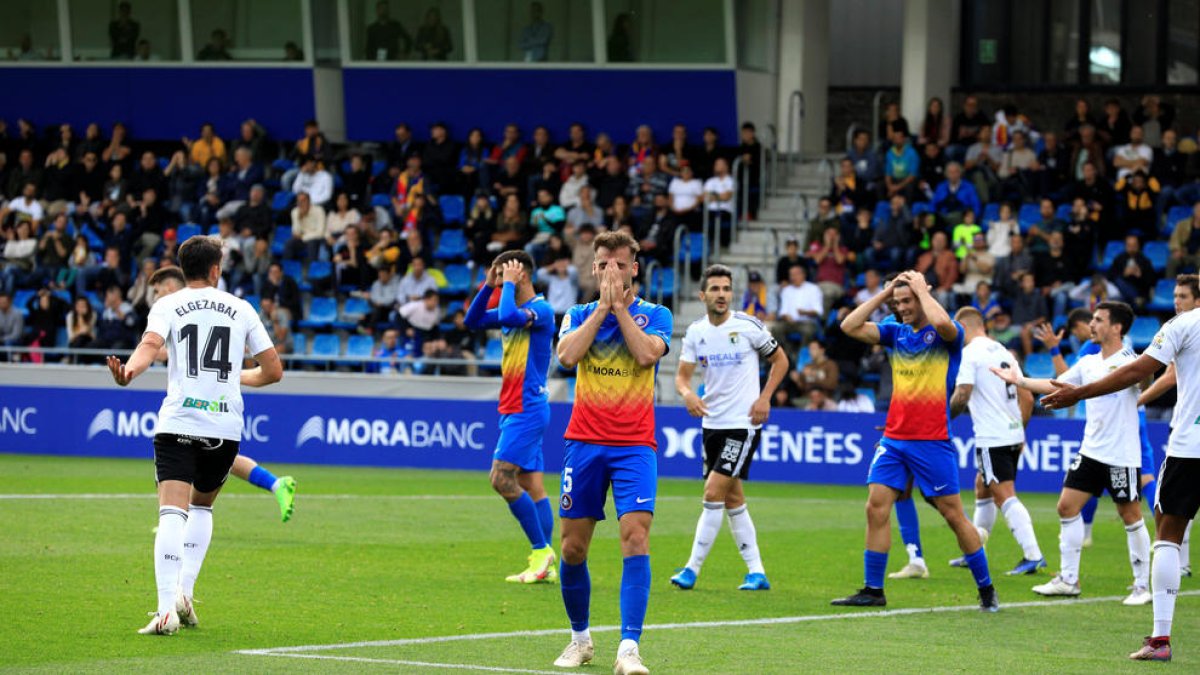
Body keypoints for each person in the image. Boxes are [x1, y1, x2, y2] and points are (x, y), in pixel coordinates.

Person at [105, 237, 281, 635]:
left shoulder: (167, 305)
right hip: (224, 428)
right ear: (216, 269)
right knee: (201, 509)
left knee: (171, 513)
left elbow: (149, 346)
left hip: (179, 422)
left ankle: (166, 609)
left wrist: (129, 372)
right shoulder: (241, 309)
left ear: (184, 270)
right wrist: (238, 377)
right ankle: (185, 592)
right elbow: (273, 371)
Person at [1040, 297, 1200, 661]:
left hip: (1191, 447)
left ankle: (1160, 640)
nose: (1176, 301)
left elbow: (1134, 372)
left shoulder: (1185, 324)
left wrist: (1078, 394)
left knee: (1168, 537)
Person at [833, 271, 998, 611]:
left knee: (953, 515)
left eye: (907, 302)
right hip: (894, 438)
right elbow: (848, 326)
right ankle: (873, 590)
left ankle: (986, 589)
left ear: (924, 297)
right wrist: (885, 294)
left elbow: (942, 322)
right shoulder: (896, 333)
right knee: (875, 506)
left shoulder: (947, 335)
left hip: (931, 440)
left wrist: (921, 291)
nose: (902, 308)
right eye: (899, 303)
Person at [552, 231, 671, 674]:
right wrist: (603, 306)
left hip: (634, 446)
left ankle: (628, 649)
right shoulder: (579, 314)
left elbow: (645, 357)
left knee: (635, 538)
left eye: (620, 264)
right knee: (571, 550)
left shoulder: (656, 315)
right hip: (583, 443)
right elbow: (566, 356)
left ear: (634, 269)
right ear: (594, 267)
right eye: (604, 264)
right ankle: (580, 639)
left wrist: (619, 307)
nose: (611, 272)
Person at [993, 302, 1151, 606]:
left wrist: (1145, 376)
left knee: (1129, 515)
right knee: (1066, 507)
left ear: (1117, 327)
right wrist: (1020, 380)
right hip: (1091, 451)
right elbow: (1058, 384)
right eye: (1091, 319)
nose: (1091, 324)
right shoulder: (1089, 362)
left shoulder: (1132, 362)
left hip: (1122, 454)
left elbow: (1145, 381)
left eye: (1098, 320)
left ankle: (1142, 586)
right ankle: (1068, 579)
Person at [671, 265, 788, 591]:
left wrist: (765, 398)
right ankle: (757, 572)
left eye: (726, 288)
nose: (721, 294)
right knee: (732, 496)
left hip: (742, 424)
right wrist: (688, 393)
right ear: (703, 295)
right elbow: (682, 377)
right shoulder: (696, 332)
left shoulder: (748, 326)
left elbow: (781, 361)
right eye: (715, 289)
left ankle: (691, 569)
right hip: (712, 423)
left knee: (712, 492)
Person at [150, 266, 297, 522]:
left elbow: (162, 352)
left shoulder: (175, 310)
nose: (153, 297)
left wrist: (146, 350)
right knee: (217, 455)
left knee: (179, 458)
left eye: (156, 291)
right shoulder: (224, 309)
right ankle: (275, 483)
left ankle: (172, 517)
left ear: (170, 289)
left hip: (198, 403)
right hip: (212, 399)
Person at [464, 252, 557, 583]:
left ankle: (541, 551)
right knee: (531, 484)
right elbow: (472, 321)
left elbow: (508, 314)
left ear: (523, 276)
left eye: (505, 278)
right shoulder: (512, 310)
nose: (502, 284)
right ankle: (545, 563)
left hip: (527, 409)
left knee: (500, 479)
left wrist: (508, 286)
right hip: (513, 407)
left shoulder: (541, 311)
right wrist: (488, 285)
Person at [947, 307, 1044, 575]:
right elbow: (1027, 397)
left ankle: (1033, 555)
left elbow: (963, 393)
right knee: (983, 486)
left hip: (992, 436)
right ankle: (974, 550)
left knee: (1004, 494)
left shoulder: (970, 354)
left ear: (963, 327)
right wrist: (1020, 430)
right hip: (1012, 432)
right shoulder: (1004, 352)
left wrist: (942, 417)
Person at [1138, 274, 1200, 578]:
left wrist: (1139, 399)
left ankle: (1176, 563)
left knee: (1170, 513)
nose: (1176, 302)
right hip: (1186, 426)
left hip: (1190, 431)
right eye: (1174, 296)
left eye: (1183, 297)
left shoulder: (1187, 328)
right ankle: (1183, 562)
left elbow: (1168, 376)